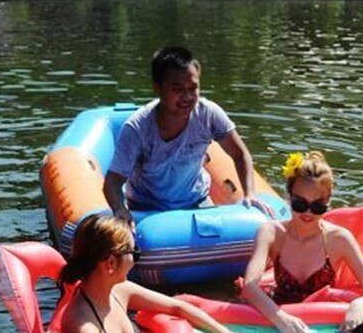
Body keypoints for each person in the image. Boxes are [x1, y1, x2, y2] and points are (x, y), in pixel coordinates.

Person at [60, 213, 250, 333]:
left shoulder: (120, 290)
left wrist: (223, 332)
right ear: (110, 264)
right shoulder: (81, 325)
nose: (136, 261)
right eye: (134, 253)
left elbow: (177, 306)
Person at [104, 45, 273, 225]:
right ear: (157, 88)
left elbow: (240, 154)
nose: (187, 97)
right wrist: (120, 209)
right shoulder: (137, 128)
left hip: (195, 201)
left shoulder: (208, 114)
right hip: (146, 206)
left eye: (193, 88)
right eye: (177, 89)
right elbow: (113, 182)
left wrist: (250, 193)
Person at [241, 151, 363, 333]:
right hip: (281, 315)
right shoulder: (271, 233)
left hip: (323, 322)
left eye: (317, 206)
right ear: (289, 196)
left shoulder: (339, 239)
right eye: (300, 204)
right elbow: (250, 286)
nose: (308, 213)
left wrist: (358, 305)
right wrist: (279, 317)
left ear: (328, 201)